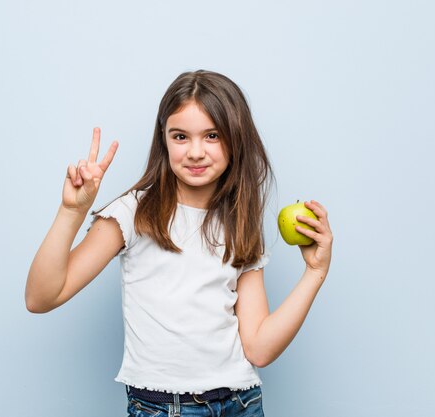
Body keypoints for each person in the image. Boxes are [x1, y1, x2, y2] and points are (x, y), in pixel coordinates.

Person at [25, 70, 333, 417]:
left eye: (212, 135)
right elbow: (41, 297)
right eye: (181, 136)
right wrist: (71, 211)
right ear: (164, 139)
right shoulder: (135, 213)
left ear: (236, 139)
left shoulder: (240, 221)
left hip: (241, 403)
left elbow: (259, 348)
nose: (196, 152)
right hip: (165, 408)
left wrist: (314, 272)